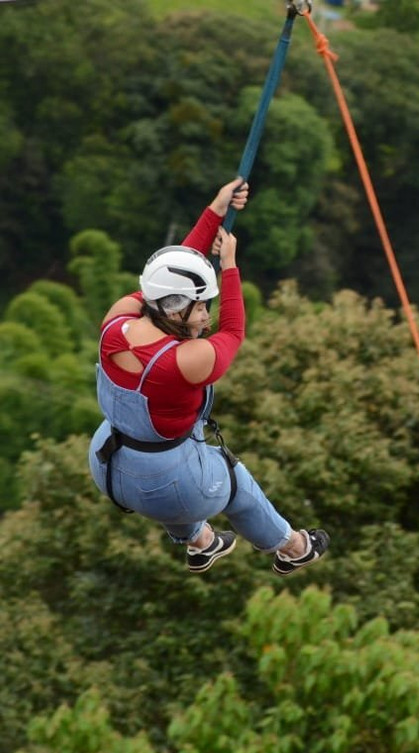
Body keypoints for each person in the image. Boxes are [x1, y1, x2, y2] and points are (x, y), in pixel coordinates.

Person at [88, 178, 330, 575]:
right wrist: (230, 266)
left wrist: (215, 210)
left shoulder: (117, 320)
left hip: (109, 465)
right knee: (228, 475)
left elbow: (171, 275)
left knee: (183, 466)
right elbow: (233, 333)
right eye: (200, 308)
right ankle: (293, 546)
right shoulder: (185, 360)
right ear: (173, 309)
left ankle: (200, 541)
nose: (206, 316)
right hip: (167, 484)